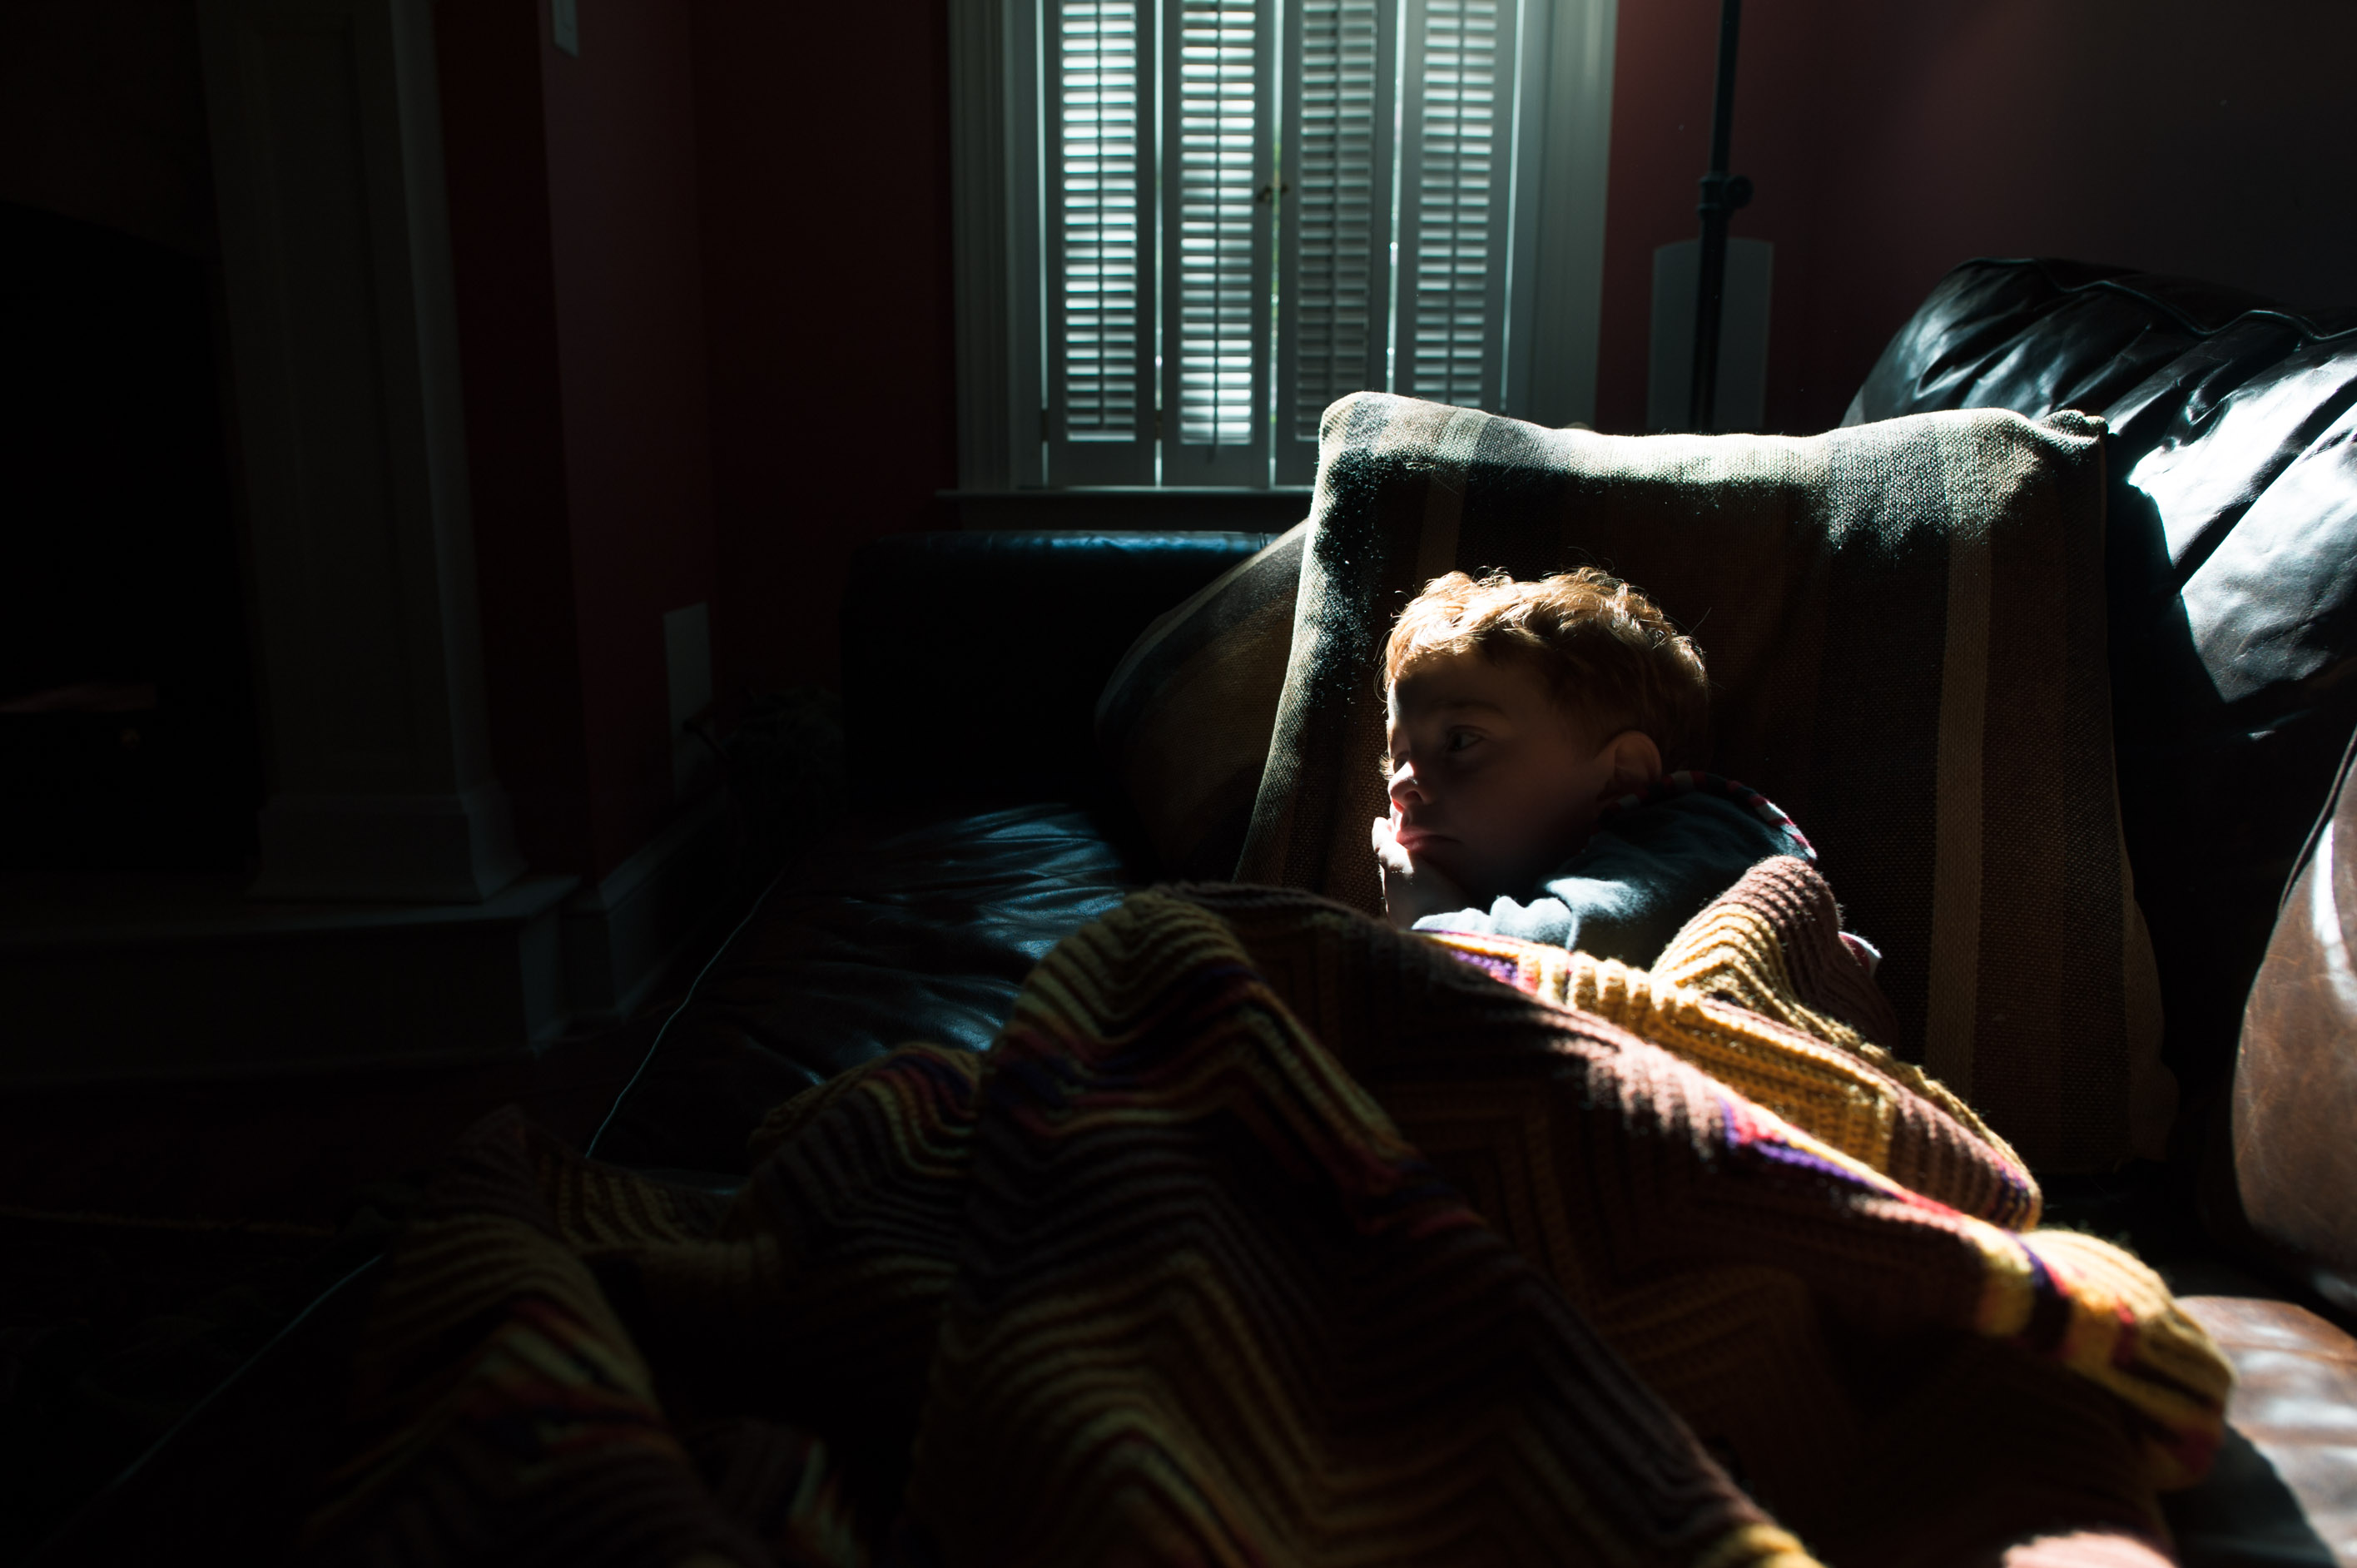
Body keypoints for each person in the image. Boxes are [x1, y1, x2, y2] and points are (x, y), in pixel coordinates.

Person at [1372, 567, 1819, 967]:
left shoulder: (1704, 835)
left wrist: (1431, 920)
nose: (1403, 784)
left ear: (1620, 774)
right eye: (1399, 758)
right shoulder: (1499, 890)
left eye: (1460, 742)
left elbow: (1570, 957)